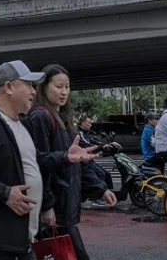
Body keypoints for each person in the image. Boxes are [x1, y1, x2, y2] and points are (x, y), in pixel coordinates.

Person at [0, 60, 98, 260]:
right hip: (4, 235)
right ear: (8, 87)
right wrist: (5, 193)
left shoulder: (18, 122)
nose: (34, 91)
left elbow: (36, 160)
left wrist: (65, 157)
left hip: (22, 233)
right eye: (28, 85)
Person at [29, 64, 116, 260]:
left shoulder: (63, 118)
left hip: (67, 202)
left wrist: (100, 188)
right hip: (56, 206)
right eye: (59, 86)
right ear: (44, 87)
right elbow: (39, 164)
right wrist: (46, 205)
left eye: (67, 87)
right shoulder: (40, 117)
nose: (64, 92)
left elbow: (78, 161)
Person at [76, 116, 113, 202]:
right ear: (83, 123)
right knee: (100, 174)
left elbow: (93, 140)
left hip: (89, 159)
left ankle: (106, 194)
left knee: (106, 174)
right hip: (84, 160)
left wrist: (104, 144)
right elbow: (85, 144)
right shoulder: (79, 133)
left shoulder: (86, 133)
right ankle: (96, 198)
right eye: (89, 122)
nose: (91, 124)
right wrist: (101, 147)